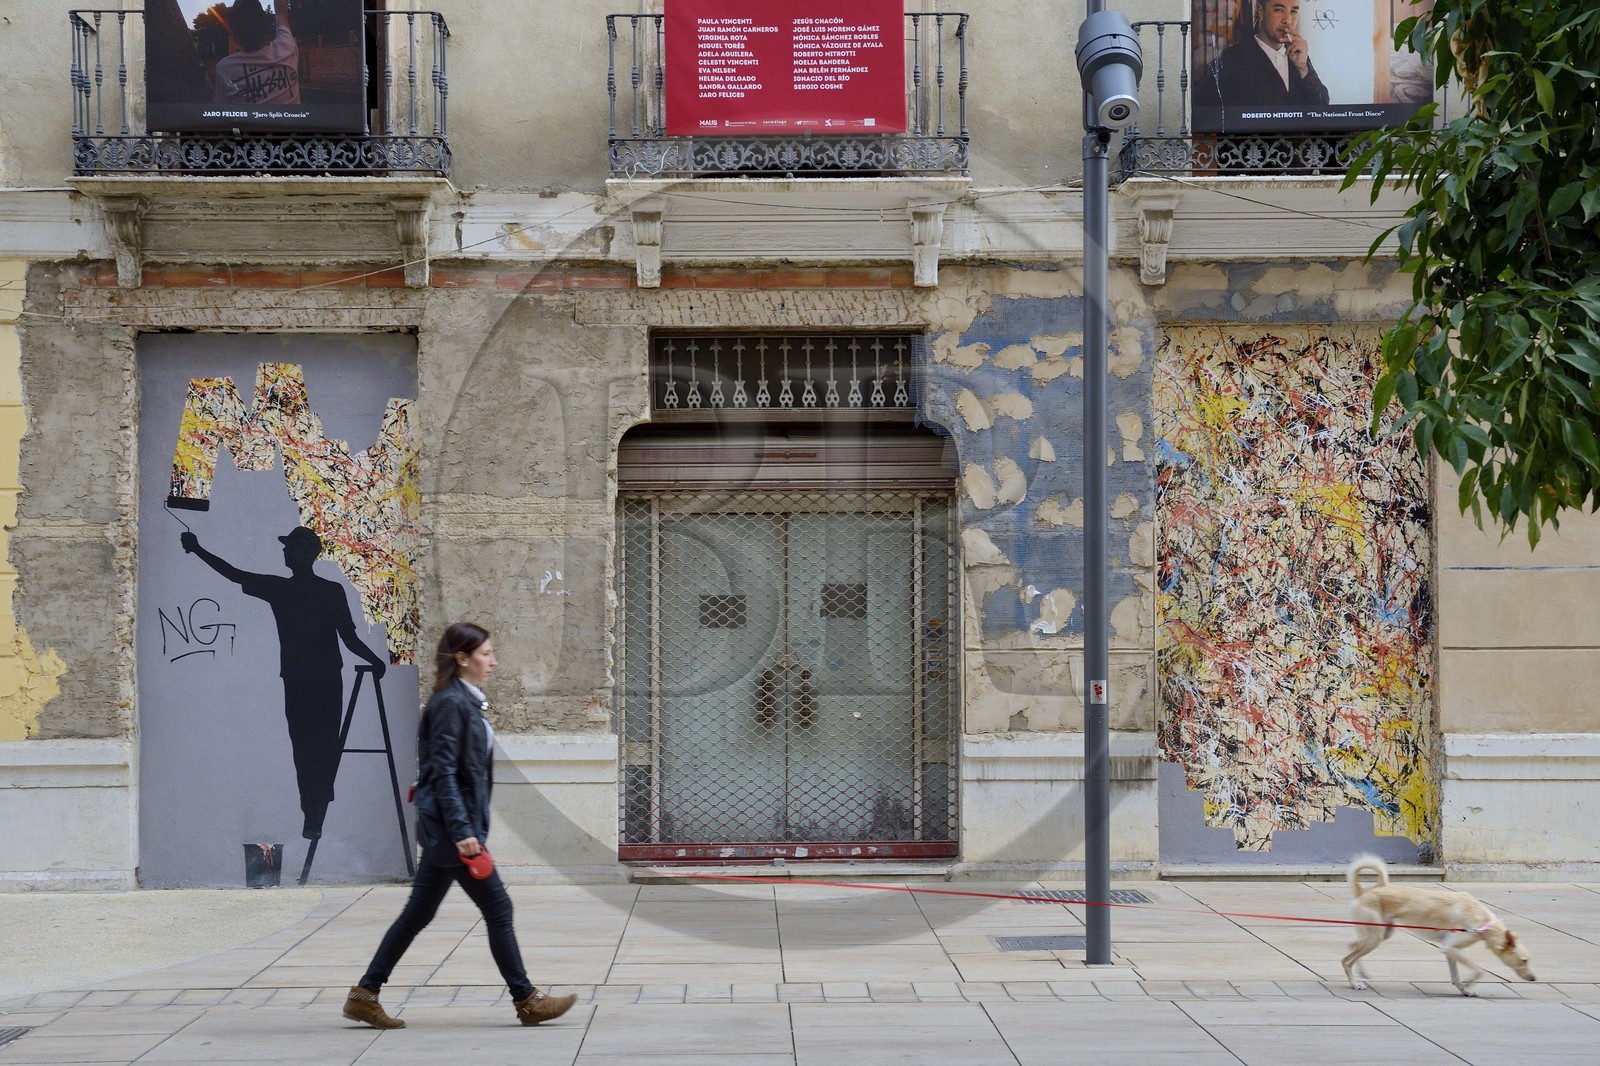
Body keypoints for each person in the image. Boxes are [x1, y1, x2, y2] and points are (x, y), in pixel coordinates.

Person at [342, 623, 578, 1029]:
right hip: (453, 832)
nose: (493, 661)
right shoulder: (451, 703)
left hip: (447, 831)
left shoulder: (464, 701)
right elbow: (445, 774)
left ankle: (365, 993)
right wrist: (464, 831)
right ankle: (526, 999)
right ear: (462, 658)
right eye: (485, 654)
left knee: (416, 915)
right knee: (498, 907)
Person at [182, 525, 387, 841]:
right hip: (323, 678)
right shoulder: (324, 590)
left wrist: (197, 549)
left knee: (307, 748)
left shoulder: (285, 589)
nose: (284, 552)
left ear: (304, 553)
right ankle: (316, 806)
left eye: (289, 547)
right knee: (322, 744)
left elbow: (234, 574)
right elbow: (349, 638)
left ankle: (313, 809)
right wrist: (373, 660)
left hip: (304, 680)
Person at [1213, 0, 1330, 111]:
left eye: (1293, 11)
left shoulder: (1298, 55)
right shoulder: (1233, 57)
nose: (1287, 20)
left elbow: (1322, 108)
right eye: (1279, 10)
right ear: (1260, 11)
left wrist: (1303, 68)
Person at [212, 0, 300, 106]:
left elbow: (222, 110)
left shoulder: (225, 69)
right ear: (266, 25)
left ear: (234, 36)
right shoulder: (287, 48)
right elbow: (281, 14)